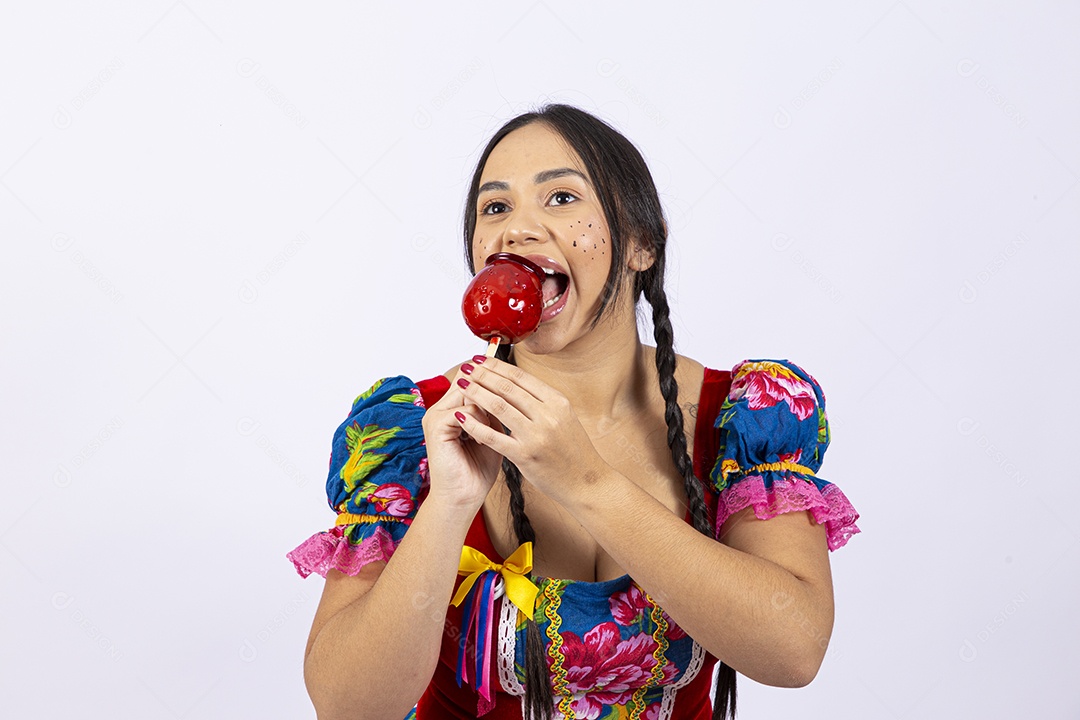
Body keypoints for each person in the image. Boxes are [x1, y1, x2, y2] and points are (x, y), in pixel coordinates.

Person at [288, 104, 860, 720]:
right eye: (495, 207)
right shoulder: (413, 430)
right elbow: (347, 706)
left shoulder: (742, 416)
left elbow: (795, 651)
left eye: (561, 198)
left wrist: (588, 482)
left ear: (643, 242)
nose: (517, 231)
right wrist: (448, 503)